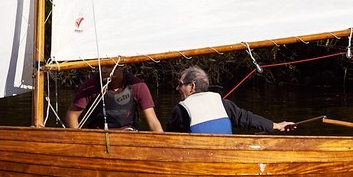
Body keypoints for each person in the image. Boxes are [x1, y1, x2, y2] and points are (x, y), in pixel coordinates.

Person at [166, 66, 296, 134]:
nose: (177, 88)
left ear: (192, 86)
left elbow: (168, 141)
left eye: (180, 84)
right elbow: (248, 119)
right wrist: (276, 126)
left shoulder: (180, 109)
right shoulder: (223, 103)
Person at [65, 63, 164, 132]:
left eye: (108, 66)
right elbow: (72, 116)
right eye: (101, 66)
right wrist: (78, 141)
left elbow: (153, 122)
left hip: (128, 136)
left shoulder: (138, 86)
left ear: (121, 67)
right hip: (98, 136)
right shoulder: (90, 86)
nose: (103, 70)